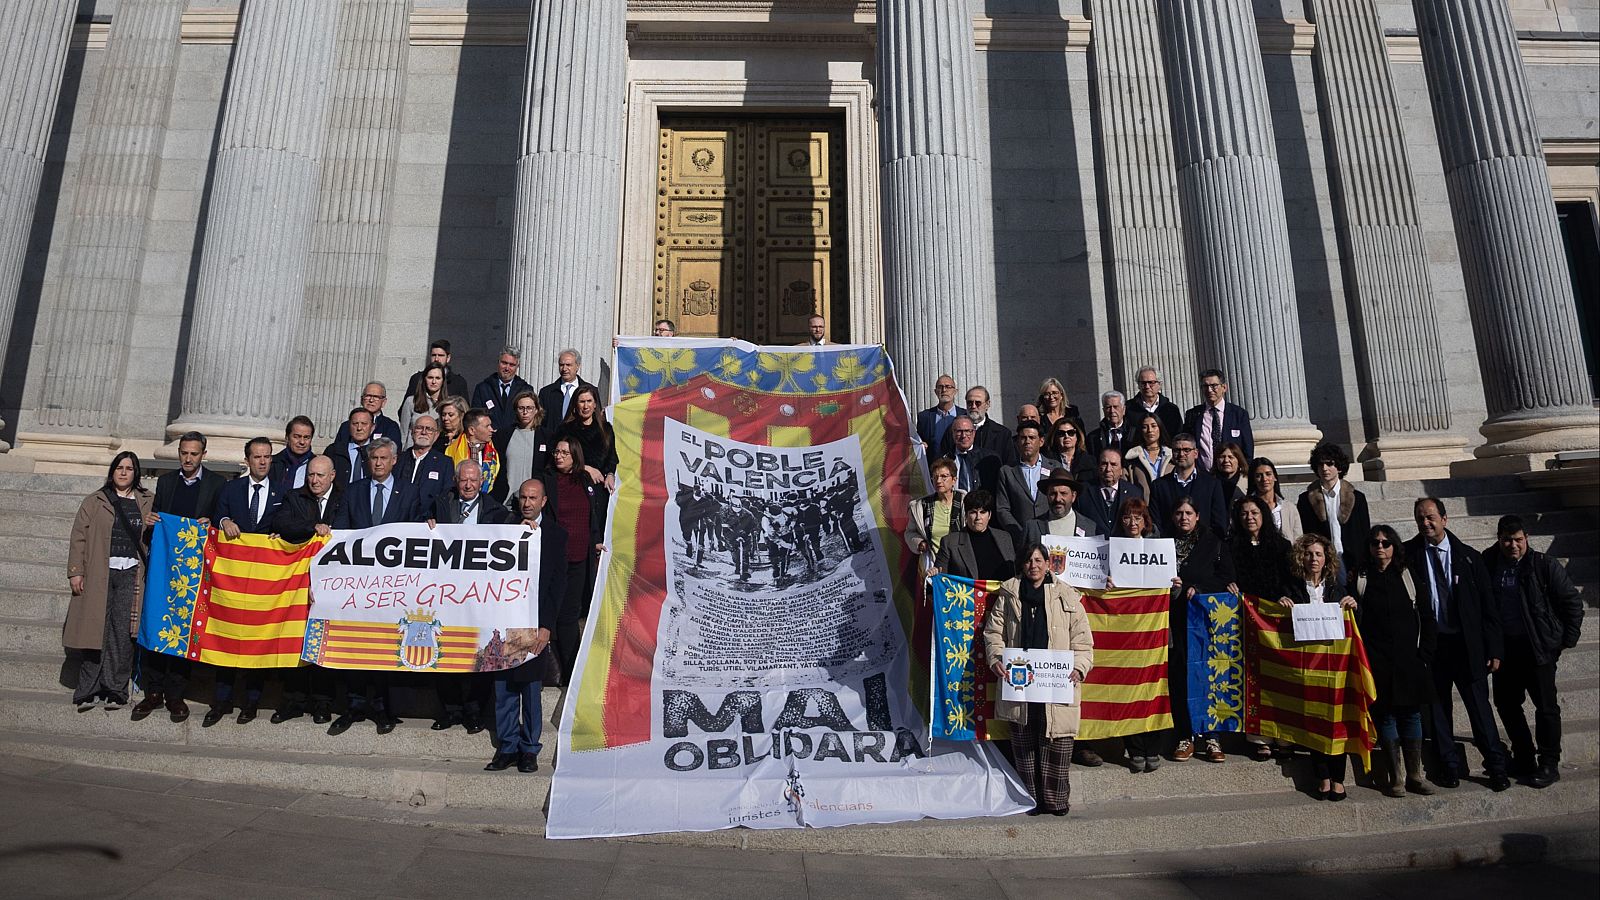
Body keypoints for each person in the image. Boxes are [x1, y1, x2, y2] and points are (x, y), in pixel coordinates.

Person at [1405, 497, 1510, 791]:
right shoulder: (1409, 554)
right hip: (1433, 646)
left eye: (1430, 517)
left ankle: (1496, 766)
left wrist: (1494, 649)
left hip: (1466, 646)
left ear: (1444, 519)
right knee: (1438, 709)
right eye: (1420, 519)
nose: (1425, 523)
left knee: (1479, 708)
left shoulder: (1468, 557)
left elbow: (1489, 608)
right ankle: (1448, 765)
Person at [982, 544, 1095, 816]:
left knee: (1056, 741)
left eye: (1038, 560)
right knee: (1024, 741)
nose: (1033, 565)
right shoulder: (1008, 595)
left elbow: (1083, 642)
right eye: (1028, 560)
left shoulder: (1068, 596)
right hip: (1020, 681)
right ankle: (1030, 799)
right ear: (1022, 565)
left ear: (1048, 563)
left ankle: (1056, 801)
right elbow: (993, 633)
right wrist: (995, 658)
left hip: (1057, 683)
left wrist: (1079, 668)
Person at [1482, 515, 1584, 788]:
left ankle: (1549, 763)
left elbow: (1572, 603)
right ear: (1499, 539)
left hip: (1538, 648)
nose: (1512, 545)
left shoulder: (1543, 565)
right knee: (1506, 703)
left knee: (1546, 708)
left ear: (1526, 538)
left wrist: (1564, 641)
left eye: (1517, 539)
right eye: (1506, 539)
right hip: (1505, 649)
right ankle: (1524, 755)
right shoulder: (1489, 564)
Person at [329, 438, 420, 736]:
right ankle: (354, 705)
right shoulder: (353, 491)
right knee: (357, 643)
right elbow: (341, 532)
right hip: (358, 585)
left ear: (394, 460)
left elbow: (416, 532)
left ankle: (382, 707)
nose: (378, 463)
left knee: (385, 645)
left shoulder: (409, 491)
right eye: (373, 459)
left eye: (383, 458)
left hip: (393, 588)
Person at [136, 432, 225, 723]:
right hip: (165, 567)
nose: (188, 459)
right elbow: (159, 520)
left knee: (183, 631)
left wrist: (210, 524)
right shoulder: (165, 482)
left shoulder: (216, 484)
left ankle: (175, 694)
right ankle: (153, 691)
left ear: (203, 454)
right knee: (157, 622)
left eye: (194, 454)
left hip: (194, 572)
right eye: (184, 453)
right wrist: (151, 523)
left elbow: (219, 522)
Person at [485, 478, 568, 773]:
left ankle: (529, 749)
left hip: (533, 625)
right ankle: (507, 747)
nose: (527, 503)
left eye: (533, 498)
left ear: (544, 501)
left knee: (530, 691)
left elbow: (557, 585)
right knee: (504, 688)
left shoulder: (556, 536)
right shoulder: (504, 528)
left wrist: (547, 627)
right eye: (523, 497)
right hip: (504, 622)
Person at [427, 460, 515, 733]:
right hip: (445, 595)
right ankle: (451, 709)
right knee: (443, 650)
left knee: (481, 652)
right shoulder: (441, 505)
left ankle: (474, 711)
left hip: (480, 597)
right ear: (456, 480)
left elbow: (512, 540)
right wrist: (425, 524)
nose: (468, 485)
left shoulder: (497, 512)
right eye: (463, 480)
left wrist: (526, 528)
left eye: (473, 480)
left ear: (482, 482)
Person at [1351, 524, 1437, 797]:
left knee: (1411, 714)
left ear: (1394, 547)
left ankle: (1415, 774)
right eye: (1375, 543)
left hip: (1409, 659)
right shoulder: (1360, 579)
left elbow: (1427, 615)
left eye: (1386, 543)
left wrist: (1424, 655)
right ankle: (1395, 776)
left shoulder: (1407, 576)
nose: (1380, 547)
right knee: (1386, 715)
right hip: (1377, 660)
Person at [65, 452, 153, 713]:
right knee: (94, 631)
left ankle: (115, 689)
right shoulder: (95, 501)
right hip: (99, 572)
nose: (123, 473)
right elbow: (78, 537)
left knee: (123, 633)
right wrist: (76, 571)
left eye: (129, 468)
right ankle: (88, 689)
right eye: (119, 468)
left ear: (135, 473)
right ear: (112, 471)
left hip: (131, 572)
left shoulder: (147, 501)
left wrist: (152, 525)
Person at [204, 437, 283, 727]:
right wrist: (224, 520)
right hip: (232, 581)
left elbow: (287, 522)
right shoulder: (231, 489)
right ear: (247, 460)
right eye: (257, 457)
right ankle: (221, 700)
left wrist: (280, 534)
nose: (262, 462)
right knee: (226, 638)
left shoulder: (282, 492)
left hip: (265, 581)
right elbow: (216, 517)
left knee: (256, 642)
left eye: (267, 457)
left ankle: (251, 702)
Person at [265, 455, 344, 725]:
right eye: (311, 475)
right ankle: (293, 701)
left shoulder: (344, 497)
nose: (314, 480)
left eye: (320, 475)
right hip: (298, 582)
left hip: (335, 583)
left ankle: (322, 703)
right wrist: (312, 528)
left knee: (324, 642)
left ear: (332, 476)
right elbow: (281, 524)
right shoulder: (294, 497)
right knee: (296, 642)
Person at [1280, 534, 1358, 799]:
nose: (1313, 559)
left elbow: (1354, 622)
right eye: (1309, 554)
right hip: (1306, 666)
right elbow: (1280, 623)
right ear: (1301, 557)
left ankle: (1339, 778)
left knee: (1337, 720)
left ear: (1327, 559)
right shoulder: (1292, 586)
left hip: (1335, 668)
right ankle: (1322, 776)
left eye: (1319, 554)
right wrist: (1281, 605)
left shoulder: (1337, 586)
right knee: (1313, 720)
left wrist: (1352, 605)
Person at [1169, 496, 1237, 765]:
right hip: (1174, 622)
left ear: (1197, 516)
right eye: (1179, 512)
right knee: (1180, 676)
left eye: (1188, 512)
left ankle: (1211, 737)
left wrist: (1198, 587)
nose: (1183, 517)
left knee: (1208, 676)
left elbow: (1227, 578)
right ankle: (1185, 736)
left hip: (1205, 623)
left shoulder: (1214, 543)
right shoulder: (1163, 544)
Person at [1227, 495, 1294, 761]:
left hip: (1277, 622)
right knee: (1254, 679)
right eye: (1244, 513)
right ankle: (1260, 738)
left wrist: (1285, 596)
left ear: (1264, 515)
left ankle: (1285, 738)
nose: (1250, 518)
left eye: (1254, 512)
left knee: (1281, 679)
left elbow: (1292, 580)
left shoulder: (1282, 546)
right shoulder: (1232, 547)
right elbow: (1228, 576)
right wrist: (1230, 584)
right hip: (1249, 622)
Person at [541, 439, 608, 688]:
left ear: (575, 455)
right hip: (554, 560)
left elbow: (595, 514)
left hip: (580, 558)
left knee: (569, 617)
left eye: (564, 452)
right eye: (556, 451)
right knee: (552, 615)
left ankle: (572, 674)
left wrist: (597, 540)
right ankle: (553, 671)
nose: (559, 456)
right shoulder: (546, 479)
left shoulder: (585, 480)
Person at [1111, 497, 1166, 772]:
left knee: (1153, 688)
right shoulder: (1110, 551)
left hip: (1152, 633)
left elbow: (1169, 593)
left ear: (1146, 522)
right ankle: (1133, 748)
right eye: (1127, 518)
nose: (1132, 523)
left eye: (1137, 518)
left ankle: (1152, 747)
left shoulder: (1159, 550)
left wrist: (1174, 585)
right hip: (1125, 633)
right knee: (1127, 689)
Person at [1297, 442, 1370, 588]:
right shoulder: (1305, 499)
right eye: (1320, 464)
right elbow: (1305, 534)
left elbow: (1365, 532)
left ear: (1339, 467)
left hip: (1351, 559)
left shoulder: (1357, 498)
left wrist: (1362, 562)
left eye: (1330, 464)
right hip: (1321, 561)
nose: (1324, 468)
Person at [1149, 434, 1227, 537]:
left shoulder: (1212, 484)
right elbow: (1156, 525)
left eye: (1186, 450)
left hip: (1204, 547)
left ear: (1196, 453)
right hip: (1170, 547)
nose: (1181, 454)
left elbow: (1219, 522)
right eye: (1177, 450)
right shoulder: (1158, 486)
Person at [931, 490, 1015, 582]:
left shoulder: (1005, 538)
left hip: (1004, 594)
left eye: (983, 512)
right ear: (966, 515)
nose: (978, 517)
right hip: (969, 595)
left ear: (990, 515)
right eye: (973, 512)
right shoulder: (950, 542)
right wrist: (934, 574)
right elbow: (941, 578)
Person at [1183, 368, 1254, 470]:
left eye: (1214, 386)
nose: (1209, 390)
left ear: (1224, 387)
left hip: (1231, 476)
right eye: (1205, 386)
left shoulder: (1239, 414)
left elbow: (1248, 448)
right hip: (1203, 475)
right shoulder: (1193, 415)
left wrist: (1244, 471)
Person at [994, 421, 1050, 547]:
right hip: (1020, 541)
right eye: (1023, 438)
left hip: (1050, 537)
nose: (1027, 441)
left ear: (1041, 441)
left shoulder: (1054, 468)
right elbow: (1002, 509)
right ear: (1017, 442)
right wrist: (1020, 533)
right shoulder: (1007, 472)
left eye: (1032, 437)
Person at [904, 458, 965, 572]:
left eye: (944, 476)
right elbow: (910, 532)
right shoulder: (921, 506)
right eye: (935, 477)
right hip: (935, 565)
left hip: (963, 564)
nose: (938, 480)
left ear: (954, 480)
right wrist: (919, 542)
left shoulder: (965, 502)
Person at [491, 390, 548, 506]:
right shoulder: (503, 435)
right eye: (521, 408)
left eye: (529, 408)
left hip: (533, 502)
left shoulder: (546, 437)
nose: (525, 412)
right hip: (506, 501)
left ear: (536, 410)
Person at [559, 384, 618, 489]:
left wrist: (610, 474)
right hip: (573, 484)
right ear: (576, 405)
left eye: (589, 401)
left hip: (599, 486)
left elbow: (612, 458)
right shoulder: (565, 430)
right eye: (582, 402)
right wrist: (585, 468)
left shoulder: (606, 429)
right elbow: (559, 459)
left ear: (595, 404)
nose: (586, 406)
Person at [1074, 448, 1142, 536]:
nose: (1108, 469)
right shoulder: (1083, 491)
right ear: (1098, 467)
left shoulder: (1134, 493)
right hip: (1091, 546)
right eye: (1104, 464)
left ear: (1121, 469)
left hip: (1123, 546)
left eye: (1113, 464)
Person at [938, 386, 1013, 464]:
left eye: (978, 403)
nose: (973, 406)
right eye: (970, 403)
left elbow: (1009, 467)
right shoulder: (952, 429)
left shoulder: (1002, 434)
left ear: (987, 404)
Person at [1023, 469, 1099, 547]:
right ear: (1047, 496)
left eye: (1063, 493)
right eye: (1053, 493)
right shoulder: (1032, 527)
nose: (1058, 499)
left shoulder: (1089, 527)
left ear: (1073, 496)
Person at [396, 413, 453, 512]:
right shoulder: (398, 459)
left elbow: (445, 496)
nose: (424, 432)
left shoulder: (445, 463)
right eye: (419, 428)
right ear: (412, 432)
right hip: (398, 517)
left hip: (427, 520)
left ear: (436, 435)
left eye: (429, 429)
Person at [473, 346, 536, 433]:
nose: (507, 368)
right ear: (498, 363)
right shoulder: (483, 388)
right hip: (490, 439)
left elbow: (530, 417)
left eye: (512, 365)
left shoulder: (525, 390)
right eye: (504, 363)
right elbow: (475, 417)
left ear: (517, 367)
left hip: (515, 438)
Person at [444, 408, 501, 499]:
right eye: (487, 426)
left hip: (487, 502)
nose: (492, 429)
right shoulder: (450, 452)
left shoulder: (496, 451)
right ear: (471, 430)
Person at [329, 382, 402, 448]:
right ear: (361, 399)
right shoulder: (346, 426)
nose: (371, 400)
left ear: (384, 402)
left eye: (376, 397)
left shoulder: (390, 426)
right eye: (368, 396)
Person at [1247, 457, 1303, 541]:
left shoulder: (1289, 508)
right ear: (1254, 480)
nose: (1264, 479)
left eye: (1268, 474)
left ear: (1275, 477)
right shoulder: (1245, 507)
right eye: (1258, 476)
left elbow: (1298, 539)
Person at [537, 348, 594, 426]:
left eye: (568, 365)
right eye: (561, 365)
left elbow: (597, 419)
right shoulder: (546, 393)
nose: (564, 369)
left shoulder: (591, 391)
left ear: (577, 366)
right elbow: (540, 422)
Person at [1125, 366, 1183, 441]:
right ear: (1138, 385)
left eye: (1151, 382)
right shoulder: (1129, 408)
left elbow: (1178, 435)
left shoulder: (1171, 409)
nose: (1147, 386)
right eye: (1143, 383)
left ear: (1159, 384)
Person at [944, 416, 1000, 493]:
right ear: (952, 433)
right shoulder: (945, 460)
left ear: (974, 433)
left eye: (967, 431)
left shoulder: (988, 459)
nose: (963, 436)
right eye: (959, 431)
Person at [404, 338, 470, 401]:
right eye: (434, 355)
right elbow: (405, 408)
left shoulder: (458, 382)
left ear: (448, 358)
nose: (436, 359)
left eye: (440, 355)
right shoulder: (417, 379)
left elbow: (465, 409)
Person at [1123, 414, 1172, 499]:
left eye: (1153, 426)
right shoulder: (1132, 459)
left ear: (1160, 428)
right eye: (1145, 427)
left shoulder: (1172, 457)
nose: (1150, 430)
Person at [325, 407, 374, 488]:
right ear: (349, 426)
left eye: (364, 424)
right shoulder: (334, 450)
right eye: (355, 423)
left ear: (372, 428)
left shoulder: (377, 452)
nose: (359, 428)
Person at [916, 374, 965, 450]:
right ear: (936, 392)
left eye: (948, 387)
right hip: (934, 461)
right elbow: (919, 441)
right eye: (940, 387)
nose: (944, 390)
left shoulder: (965, 415)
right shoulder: (924, 417)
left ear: (955, 391)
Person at [268, 416, 317, 493]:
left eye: (306, 437)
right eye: (297, 437)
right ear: (287, 438)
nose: (302, 442)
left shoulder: (317, 466)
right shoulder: (272, 463)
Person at [401, 363, 448, 441]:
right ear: (424, 379)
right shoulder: (411, 401)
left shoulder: (448, 404)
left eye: (438, 378)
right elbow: (403, 432)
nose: (434, 381)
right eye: (430, 377)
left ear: (443, 381)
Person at [1087, 390, 1130, 458]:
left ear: (1124, 409)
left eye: (1116, 407)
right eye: (1108, 407)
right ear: (1103, 410)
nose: (1112, 411)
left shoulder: (1134, 433)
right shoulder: (1093, 438)